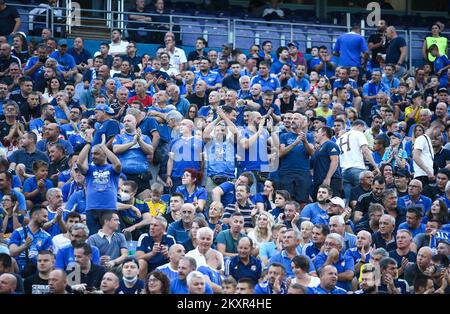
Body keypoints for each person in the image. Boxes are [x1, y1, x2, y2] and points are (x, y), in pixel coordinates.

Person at [77, 132, 121, 234]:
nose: (93, 156)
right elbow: (79, 163)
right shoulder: (90, 169)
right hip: (92, 209)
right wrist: (88, 144)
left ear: (104, 154)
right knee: (93, 237)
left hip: (109, 208)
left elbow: (118, 164)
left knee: (112, 237)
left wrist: (104, 147)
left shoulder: (111, 168)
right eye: (92, 154)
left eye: (96, 153)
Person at [339, 120, 380, 199]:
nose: (363, 132)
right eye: (363, 130)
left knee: (349, 199)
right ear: (359, 126)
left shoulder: (340, 138)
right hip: (357, 169)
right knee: (364, 196)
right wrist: (375, 166)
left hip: (344, 172)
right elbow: (365, 151)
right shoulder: (359, 134)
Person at [8, 205, 52, 277]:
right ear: (34, 215)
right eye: (44, 216)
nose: (46, 220)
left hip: (37, 270)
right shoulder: (18, 232)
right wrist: (24, 246)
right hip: (18, 270)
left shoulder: (47, 236)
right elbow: (12, 252)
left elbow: (49, 257)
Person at [312, 127, 342, 196]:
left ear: (323, 133)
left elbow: (335, 161)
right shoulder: (319, 149)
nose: (316, 135)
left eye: (318, 132)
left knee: (332, 204)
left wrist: (328, 178)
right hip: (319, 182)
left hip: (331, 180)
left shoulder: (330, 144)